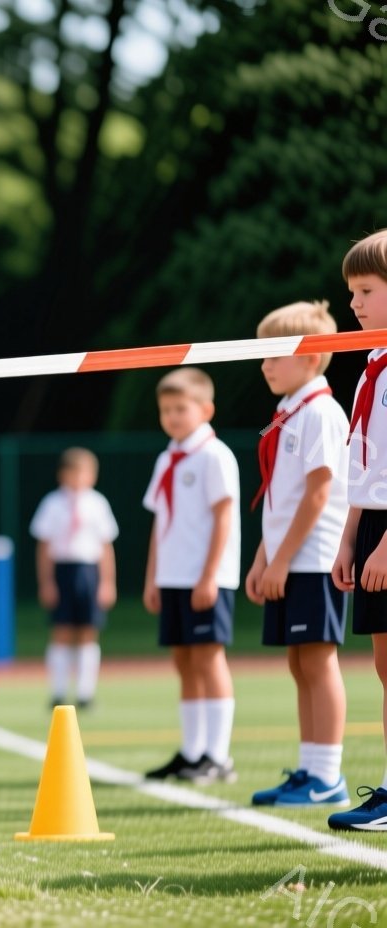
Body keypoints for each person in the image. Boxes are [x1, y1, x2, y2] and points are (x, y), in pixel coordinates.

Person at [242, 301, 351, 808]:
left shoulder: (322, 413)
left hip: (314, 561)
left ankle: (328, 774)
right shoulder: (290, 413)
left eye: (275, 353)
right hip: (289, 559)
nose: (265, 364)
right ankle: (309, 768)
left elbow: (317, 496)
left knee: (318, 661)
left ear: (311, 359)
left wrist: (283, 560)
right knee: (298, 663)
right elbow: (280, 501)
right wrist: (264, 557)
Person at [140, 368, 241, 785]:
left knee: (207, 656)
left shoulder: (214, 455)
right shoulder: (168, 456)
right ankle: (192, 751)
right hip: (172, 576)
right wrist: (153, 578)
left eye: (181, 408)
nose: (173, 417)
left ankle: (218, 756)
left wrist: (208, 576)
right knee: (183, 660)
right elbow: (160, 522)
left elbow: (223, 517)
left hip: (206, 577)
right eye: (166, 409)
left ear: (205, 409)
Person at [329, 229, 387, 831]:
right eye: (352, 292)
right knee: (383, 665)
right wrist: (351, 537)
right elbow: (363, 460)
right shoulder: (372, 364)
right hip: (371, 521)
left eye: (366, 290)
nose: (354, 304)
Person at [29, 448, 117, 711]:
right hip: (62, 570)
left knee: (88, 632)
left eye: (84, 473)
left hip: (89, 571)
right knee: (62, 631)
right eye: (73, 472)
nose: (78, 478)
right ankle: (57, 693)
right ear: (62, 475)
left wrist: (107, 581)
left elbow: (105, 547)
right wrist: (46, 582)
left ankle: (85, 694)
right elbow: (43, 547)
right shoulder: (52, 504)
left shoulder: (98, 504)